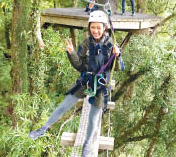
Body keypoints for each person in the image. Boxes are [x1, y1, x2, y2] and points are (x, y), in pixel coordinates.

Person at [29, 10, 121, 157]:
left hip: (100, 85)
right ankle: (44, 128)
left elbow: (118, 67)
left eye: (99, 28)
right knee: (64, 105)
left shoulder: (110, 44)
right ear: (89, 27)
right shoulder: (86, 43)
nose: (95, 31)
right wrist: (71, 53)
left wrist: (118, 55)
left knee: (93, 118)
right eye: (93, 27)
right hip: (85, 81)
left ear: (104, 28)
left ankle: (87, 144)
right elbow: (80, 66)